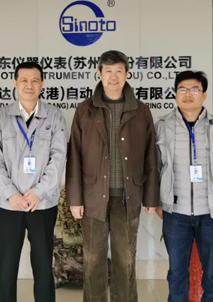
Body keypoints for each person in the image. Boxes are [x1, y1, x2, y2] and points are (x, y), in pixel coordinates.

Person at [66, 50, 160, 302]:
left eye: (119, 71)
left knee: (125, 259)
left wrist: (151, 198)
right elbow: (74, 156)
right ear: (99, 73)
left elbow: (151, 156)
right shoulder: (85, 110)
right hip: (93, 197)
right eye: (108, 71)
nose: (113, 76)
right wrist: (75, 199)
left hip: (128, 197)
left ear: (127, 74)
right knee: (93, 260)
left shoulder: (140, 110)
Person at [155, 71, 213, 302]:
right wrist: (156, 200)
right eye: (182, 89)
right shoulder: (162, 126)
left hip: (211, 213)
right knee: (176, 273)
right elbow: (154, 167)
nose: (188, 94)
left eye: (194, 89)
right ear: (175, 94)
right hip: (175, 213)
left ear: (204, 95)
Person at [0, 61, 67, 302]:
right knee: (7, 266)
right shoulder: (0, 117)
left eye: (34, 81)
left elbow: (58, 158)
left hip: (42, 203)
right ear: (15, 83)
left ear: (42, 84)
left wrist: (39, 192)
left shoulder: (54, 116)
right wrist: (11, 194)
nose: (29, 85)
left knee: (43, 266)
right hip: (10, 204)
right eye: (24, 80)